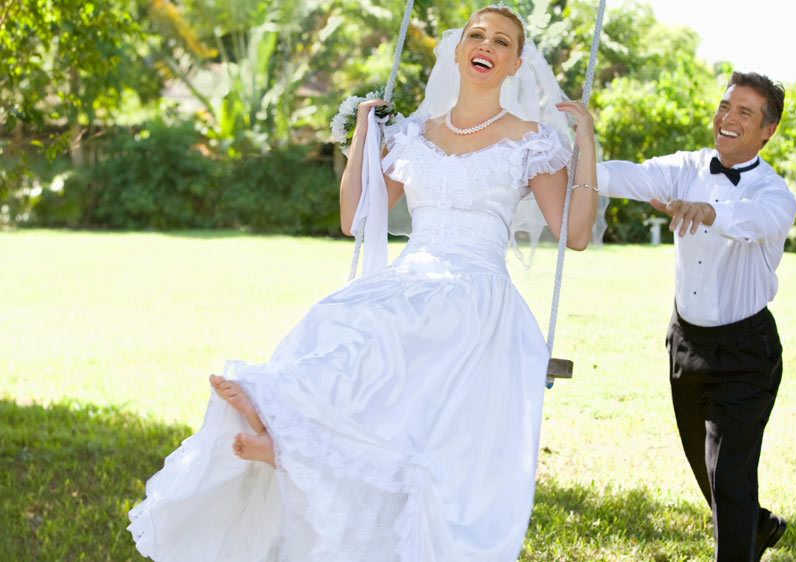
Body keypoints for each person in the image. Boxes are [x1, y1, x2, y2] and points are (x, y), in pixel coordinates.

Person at [127, 6, 599, 561]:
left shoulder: (531, 140)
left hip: (476, 291)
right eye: (477, 35)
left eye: (502, 42)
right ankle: (284, 430)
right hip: (413, 273)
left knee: (412, 376)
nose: (487, 47)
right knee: (345, 324)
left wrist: (584, 139)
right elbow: (358, 219)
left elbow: (577, 232)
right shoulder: (416, 135)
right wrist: (363, 140)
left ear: (516, 63)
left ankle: (292, 450)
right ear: (457, 50)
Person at [595, 72, 796, 561]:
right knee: (706, 467)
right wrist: (572, 155)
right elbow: (626, 175)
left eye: (744, 112)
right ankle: (759, 525)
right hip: (685, 340)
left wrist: (709, 212)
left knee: (729, 474)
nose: (727, 118)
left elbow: (756, 222)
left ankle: (740, 543)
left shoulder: (775, 193)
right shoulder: (685, 166)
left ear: (767, 130)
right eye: (725, 106)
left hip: (746, 350)